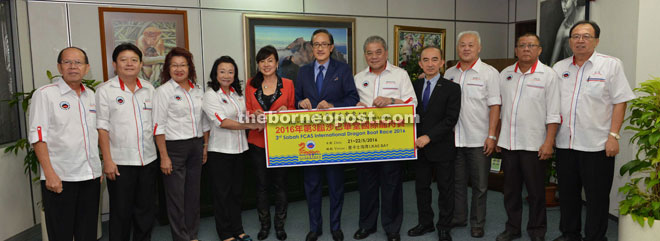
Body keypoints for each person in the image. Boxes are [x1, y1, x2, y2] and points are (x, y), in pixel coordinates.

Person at [551, 21, 635, 241]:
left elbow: (620, 101)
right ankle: (570, 234)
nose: (580, 40)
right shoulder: (559, 68)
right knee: (568, 194)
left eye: (586, 36)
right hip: (565, 143)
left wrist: (614, 136)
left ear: (596, 40)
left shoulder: (611, 65)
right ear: (569, 40)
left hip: (597, 145)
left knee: (597, 197)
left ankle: (596, 237)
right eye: (576, 36)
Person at [28, 47, 101, 241]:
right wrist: (49, 174)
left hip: (89, 176)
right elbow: (38, 137)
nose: (73, 67)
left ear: (86, 68)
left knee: (87, 233)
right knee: (61, 234)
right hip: (60, 178)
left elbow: (93, 135)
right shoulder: (45, 95)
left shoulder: (91, 97)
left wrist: (96, 168)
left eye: (78, 62)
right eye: (68, 62)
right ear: (59, 67)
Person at [295, 29, 360, 241]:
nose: (320, 48)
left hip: (334, 139)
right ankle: (315, 228)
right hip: (310, 140)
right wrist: (300, 103)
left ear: (331, 47)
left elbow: (352, 98)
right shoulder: (303, 72)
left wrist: (332, 105)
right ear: (311, 48)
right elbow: (295, 99)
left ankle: (335, 226)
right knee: (312, 185)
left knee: (335, 186)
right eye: (316, 44)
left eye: (324, 44)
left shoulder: (343, 69)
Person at [495, 34, 561, 241]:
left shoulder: (548, 75)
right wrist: (497, 136)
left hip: (535, 145)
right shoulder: (505, 74)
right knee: (511, 191)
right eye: (522, 45)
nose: (526, 49)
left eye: (531, 45)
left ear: (539, 50)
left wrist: (549, 142)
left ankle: (537, 231)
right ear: (515, 50)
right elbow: (498, 108)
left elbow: (554, 112)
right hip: (508, 143)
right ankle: (512, 228)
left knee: (536, 193)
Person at [352, 35, 417, 241]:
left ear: (386, 53)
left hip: (392, 141)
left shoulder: (400, 75)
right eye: (369, 53)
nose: (374, 56)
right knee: (367, 186)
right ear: (365, 56)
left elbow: (412, 103)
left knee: (392, 186)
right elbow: (351, 105)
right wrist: (356, 107)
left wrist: (390, 100)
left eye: (378, 52)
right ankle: (367, 225)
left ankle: (392, 228)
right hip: (366, 140)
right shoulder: (358, 77)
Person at [96, 43, 158, 241]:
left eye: (134, 60)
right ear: (115, 64)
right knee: (121, 213)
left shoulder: (149, 89)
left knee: (145, 212)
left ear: (141, 64)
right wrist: (107, 160)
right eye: (124, 60)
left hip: (148, 160)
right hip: (120, 163)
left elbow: (156, 125)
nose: (129, 64)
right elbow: (102, 128)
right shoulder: (105, 90)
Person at [443, 30, 501, 238]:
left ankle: (477, 222)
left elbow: (495, 106)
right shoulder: (450, 73)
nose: (466, 48)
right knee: (457, 182)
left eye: (471, 45)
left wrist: (492, 136)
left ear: (479, 48)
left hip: (479, 139)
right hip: (454, 139)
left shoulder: (489, 73)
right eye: (462, 45)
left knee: (480, 185)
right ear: (457, 48)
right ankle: (458, 217)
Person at [152, 47, 209, 241]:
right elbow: (158, 126)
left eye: (182, 65)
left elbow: (204, 121)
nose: (179, 69)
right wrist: (164, 156)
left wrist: (205, 146)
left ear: (189, 67)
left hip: (196, 145)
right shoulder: (162, 92)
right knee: (176, 198)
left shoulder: (198, 90)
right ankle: (180, 237)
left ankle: (192, 235)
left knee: (193, 196)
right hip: (173, 149)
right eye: (174, 65)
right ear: (168, 68)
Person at [202, 56, 261, 241]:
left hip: (240, 150)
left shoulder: (236, 94)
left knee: (237, 193)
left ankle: (238, 229)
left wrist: (256, 115)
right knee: (222, 194)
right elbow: (223, 122)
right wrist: (250, 126)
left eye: (230, 71)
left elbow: (243, 115)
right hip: (220, 152)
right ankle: (225, 233)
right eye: (222, 71)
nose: (226, 75)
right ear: (215, 74)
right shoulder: (210, 95)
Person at [408, 46, 461, 241]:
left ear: (441, 62)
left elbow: (450, 119)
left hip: (441, 146)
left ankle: (444, 226)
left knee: (445, 189)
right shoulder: (413, 86)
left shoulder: (452, 88)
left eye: (434, 60)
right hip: (418, 148)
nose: (430, 64)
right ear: (420, 63)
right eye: (426, 60)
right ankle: (425, 223)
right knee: (421, 188)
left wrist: (429, 137)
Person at [245, 45, 296, 241]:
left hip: (281, 142)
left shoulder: (288, 84)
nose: (266, 64)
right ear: (258, 64)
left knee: (281, 186)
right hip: (257, 142)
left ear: (276, 63)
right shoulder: (251, 84)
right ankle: (264, 225)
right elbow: (247, 111)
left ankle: (280, 225)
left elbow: (293, 110)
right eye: (262, 61)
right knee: (261, 186)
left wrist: (287, 110)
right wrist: (254, 114)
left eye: (270, 60)